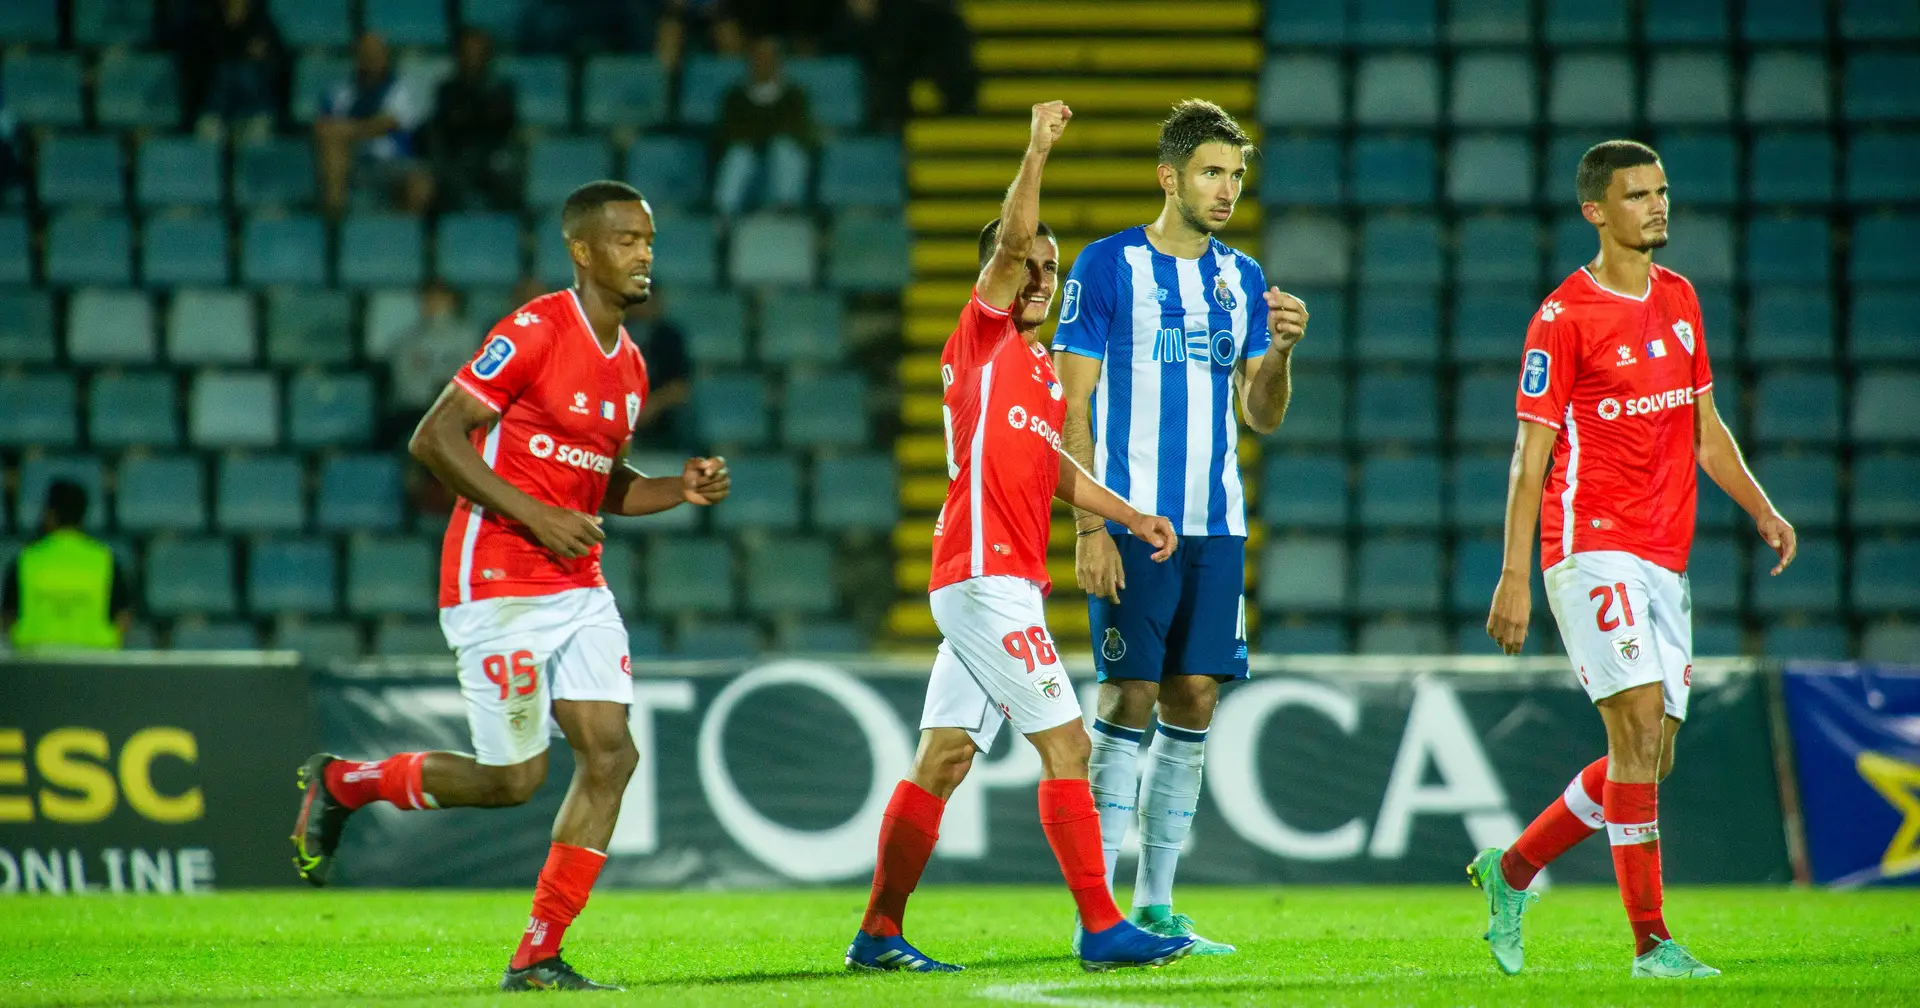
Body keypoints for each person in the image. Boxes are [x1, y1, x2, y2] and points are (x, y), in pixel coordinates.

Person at [290, 180, 732, 992]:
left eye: (650, 240)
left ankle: (538, 953)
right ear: (583, 250)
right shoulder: (534, 329)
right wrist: (536, 514)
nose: (644, 255)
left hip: (579, 585)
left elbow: (599, 484)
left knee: (611, 756)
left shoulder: (631, 366)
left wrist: (679, 488)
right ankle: (345, 781)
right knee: (513, 780)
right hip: (497, 581)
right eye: (628, 240)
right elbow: (435, 436)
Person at [845, 102, 1194, 975]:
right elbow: (1009, 242)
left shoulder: (1035, 374)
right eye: (1027, 262)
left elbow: (1054, 474)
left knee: (945, 756)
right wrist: (1037, 151)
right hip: (982, 577)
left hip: (994, 581)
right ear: (998, 273)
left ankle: (878, 933)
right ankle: (1104, 926)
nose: (1040, 274)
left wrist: (1128, 514)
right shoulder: (983, 339)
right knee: (1068, 744)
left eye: (1051, 267)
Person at [1471, 140, 1796, 980]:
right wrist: (1514, 574)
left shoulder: (1681, 299)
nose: (1657, 207)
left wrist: (1760, 507)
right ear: (1596, 211)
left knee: (1651, 756)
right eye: (1637, 195)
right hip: (1589, 546)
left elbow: (1705, 429)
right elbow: (1528, 458)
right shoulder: (1563, 316)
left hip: (1663, 554)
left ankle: (1510, 870)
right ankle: (1652, 943)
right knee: (1640, 726)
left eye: (1661, 192)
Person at [1050, 99, 1307, 955]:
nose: (1227, 189)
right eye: (1211, 173)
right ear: (1170, 178)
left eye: (1236, 175)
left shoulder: (1240, 278)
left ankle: (1157, 902)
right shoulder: (1107, 265)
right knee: (1127, 694)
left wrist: (1280, 356)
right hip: (1131, 519)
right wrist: (1088, 527)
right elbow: (1072, 404)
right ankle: (1101, 909)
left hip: (1216, 524)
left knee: (1194, 696)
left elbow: (1260, 414)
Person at [3, 480, 134, 653]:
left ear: (49, 514)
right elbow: (123, 620)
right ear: (83, 515)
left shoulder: (26, 560)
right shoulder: (106, 560)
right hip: (94, 665)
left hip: (35, 665)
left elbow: (7, 619)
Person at [313, 32, 431, 216]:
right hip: (351, 162)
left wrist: (346, 129)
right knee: (332, 148)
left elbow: (387, 123)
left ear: (386, 56)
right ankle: (335, 228)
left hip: (392, 162)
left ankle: (409, 239)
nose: (371, 58)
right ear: (357, 57)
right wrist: (350, 132)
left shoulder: (401, 88)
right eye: (366, 53)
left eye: (377, 53)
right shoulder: (339, 92)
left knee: (420, 183)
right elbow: (322, 128)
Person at [712, 36, 813, 218]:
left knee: (784, 148)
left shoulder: (794, 96)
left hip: (780, 161)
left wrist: (764, 138)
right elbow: (729, 134)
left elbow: (799, 132)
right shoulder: (735, 97)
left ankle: (785, 208)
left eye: (769, 58)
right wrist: (760, 140)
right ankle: (724, 216)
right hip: (749, 161)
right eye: (758, 58)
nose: (763, 63)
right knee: (738, 155)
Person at [418, 27, 518, 212]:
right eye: (466, 51)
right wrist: (479, 115)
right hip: (457, 156)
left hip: (492, 154)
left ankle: (516, 233)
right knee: (449, 184)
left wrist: (470, 116)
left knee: (507, 177)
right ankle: (449, 236)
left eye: (477, 51)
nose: (472, 56)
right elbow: (449, 124)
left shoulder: (502, 89)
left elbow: (504, 123)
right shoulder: (446, 89)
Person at [171, 0, 288, 142]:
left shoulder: (262, 25)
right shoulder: (205, 23)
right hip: (213, 108)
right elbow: (196, 67)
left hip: (254, 108)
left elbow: (278, 65)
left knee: (258, 139)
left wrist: (264, 56)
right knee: (206, 134)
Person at [382, 279, 478, 446]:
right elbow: (404, 387)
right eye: (428, 299)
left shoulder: (469, 337)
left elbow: (476, 380)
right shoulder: (407, 342)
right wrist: (432, 396)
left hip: (458, 411)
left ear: (453, 302)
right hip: (419, 410)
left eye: (439, 299)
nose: (433, 304)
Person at [622, 290, 691, 448]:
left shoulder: (669, 337)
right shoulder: (614, 333)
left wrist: (652, 406)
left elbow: (681, 388)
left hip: (663, 427)